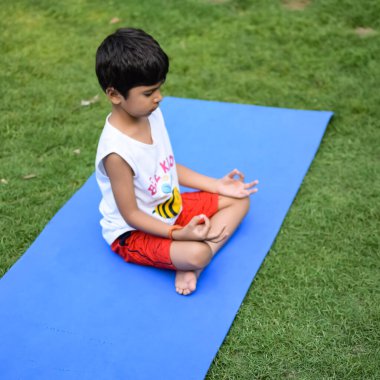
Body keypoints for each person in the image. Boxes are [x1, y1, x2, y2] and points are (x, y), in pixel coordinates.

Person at [95, 28, 258, 296]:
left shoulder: (150, 114)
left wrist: (217, 185)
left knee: (239, 199)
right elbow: (131, 215)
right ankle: (193, 261)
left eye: (159, 89)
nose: (158, 97)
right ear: (115, 95)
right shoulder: (116, 153)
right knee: (196, 254)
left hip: (172, 209)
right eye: (149, 93)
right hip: (134, 232)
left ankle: (195, 256)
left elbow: (166, 166)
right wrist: (178, 235)